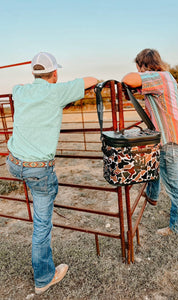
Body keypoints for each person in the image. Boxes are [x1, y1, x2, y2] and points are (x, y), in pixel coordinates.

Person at [6, 52, 98, 294]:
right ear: (55, 73)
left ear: (33, 73)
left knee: (39, 206)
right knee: (42, 224)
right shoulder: (57, 91)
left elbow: (18, 88)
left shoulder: (19, 90)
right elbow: (92, 79)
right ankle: (44, 278)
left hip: (14, 163)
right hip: (38, 169)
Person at [122, 48, 178, 236]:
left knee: (176, 188)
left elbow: (129, 79)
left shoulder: (158, 77)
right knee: (154, 162)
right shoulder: (162, 79)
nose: (139, 71)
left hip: (170, 141)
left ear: (143, 64)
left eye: (139, 67)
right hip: (170, 139)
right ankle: (152, 195)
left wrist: (136, 76)